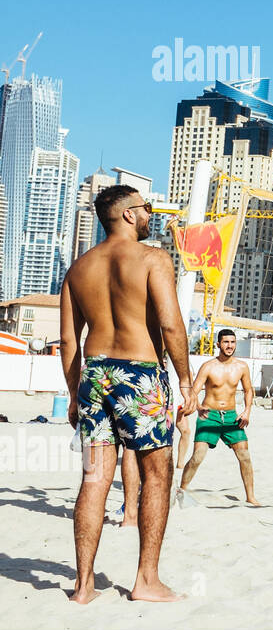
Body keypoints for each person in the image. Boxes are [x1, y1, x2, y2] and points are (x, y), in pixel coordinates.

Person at [60, 185, 194, 604]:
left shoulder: (79, 267)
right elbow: (171, 326)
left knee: (94, 478)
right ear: (129, 215)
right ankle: (146, 580)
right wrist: (186, 381)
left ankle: (83, 586)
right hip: (138, 373)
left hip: (94, 374)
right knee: (158, 473)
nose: (151, 213)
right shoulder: (153, 259)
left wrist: (72, 394)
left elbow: (68, 341)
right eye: (147, 208)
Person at [177, 329, 259, 506]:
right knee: (198, 456)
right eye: (226, 342)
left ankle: (250, 496)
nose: (229, 346)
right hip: (209, 415)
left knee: (244, 455)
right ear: (218, 344)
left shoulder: (241, 367)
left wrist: (247, 411)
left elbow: (248, 390)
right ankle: (182, 489)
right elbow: (195, 390)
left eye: (232, 342)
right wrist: (198, 406)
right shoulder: (208, 366)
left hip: (231, 416)